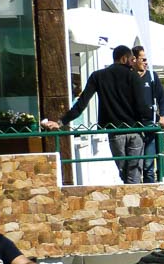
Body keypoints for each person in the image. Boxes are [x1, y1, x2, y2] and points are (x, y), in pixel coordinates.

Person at [40, 44, 150, 184]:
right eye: (131, 59)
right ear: (124, 59)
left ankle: (129, 194)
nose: (133, 62)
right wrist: (153, 120)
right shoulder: (133, 76)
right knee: (134, 174)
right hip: (135, 130)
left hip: (115, 131)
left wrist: (60, 122)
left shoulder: (98, 76)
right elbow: (142, 106)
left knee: (123, 173)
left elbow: (81, 103)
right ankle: (134, 196)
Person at [131, 44, 164, 183]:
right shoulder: (128, 76)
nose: (146, 63)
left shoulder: (152, 76)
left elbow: (162, 98)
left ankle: (149, 189)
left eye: (147, 60)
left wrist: (162, 116)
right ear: (134, 59)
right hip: (133, 126)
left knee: (148, 165)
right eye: (143, 59)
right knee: (133, 165)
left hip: (150, 125)